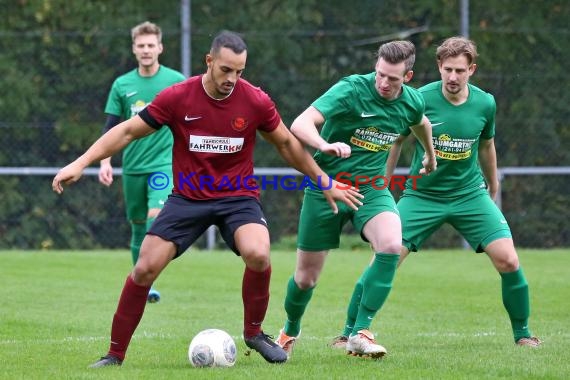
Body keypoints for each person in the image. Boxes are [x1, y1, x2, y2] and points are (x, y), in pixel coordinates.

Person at [52, 30, 362, 367]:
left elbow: (287, 144)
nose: (232, 79)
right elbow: (127, 130)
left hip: (237, 197)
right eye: (226, 69)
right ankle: (114, 354)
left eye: (240, 71)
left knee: (258, 254)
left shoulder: (255, 100)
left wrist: (325, 180)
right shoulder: (177, 97)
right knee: (144, 269)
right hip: (187, 197)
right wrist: (80, 163)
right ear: (209, 61)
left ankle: (254, 333)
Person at [332, 36, 541, 350]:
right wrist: (382, 185)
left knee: (509, 260)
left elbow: (487, 145)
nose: (453, 77)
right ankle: (350, 333)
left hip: (470, 195)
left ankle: (523, 335)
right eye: (447, 70)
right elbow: (396, 141)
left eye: (460, 70)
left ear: (472, 69)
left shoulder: (486, 103)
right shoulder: (418, 99)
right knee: (385, 258)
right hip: (421, 196)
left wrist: (493, 185)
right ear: (439, 68)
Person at [274, 40, 437, 359]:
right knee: (306, 279)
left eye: (393, 78)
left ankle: (359, 332)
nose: (384, 83)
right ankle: (289, 330)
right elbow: (299, 123)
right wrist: (324, 144)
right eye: (380, 74)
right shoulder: (351, 89)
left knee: (391, 245)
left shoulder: (412, 101)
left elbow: (422, 124)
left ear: (408, 76)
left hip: (371, 190)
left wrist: (430, 156)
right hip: (326, 187)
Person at [98, 21, 186, 303]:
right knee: (137, 225)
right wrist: (105, 161)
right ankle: (141, 285)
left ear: (160, 48)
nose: (146, 50)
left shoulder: (176, 81)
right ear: (134, 49)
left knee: (154, 218)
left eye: (151, 45)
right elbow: (112, 127)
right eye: (141, 45)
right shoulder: (122, 85)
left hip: (163, 165)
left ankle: (149, 280)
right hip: (133, 166)